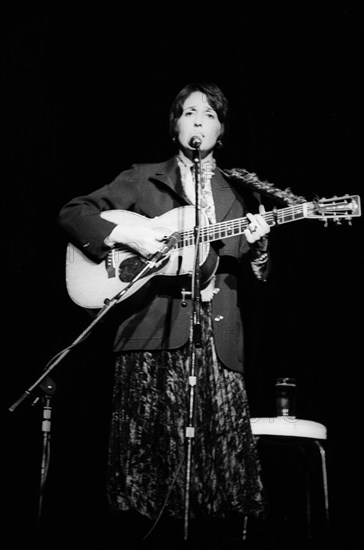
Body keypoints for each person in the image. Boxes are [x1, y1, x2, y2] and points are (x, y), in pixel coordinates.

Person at [58, 82, 271, 549]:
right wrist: (129, 239)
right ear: (175, 124)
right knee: (146, 469)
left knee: (218, 473)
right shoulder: (142, 178)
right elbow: (74, 213)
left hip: (216, 340)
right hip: (151, 332)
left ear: (221, 128)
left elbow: (255, 272)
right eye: (190, 111)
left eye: (210, 113)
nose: (200, 119)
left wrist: (257, 245)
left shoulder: (236, 194)